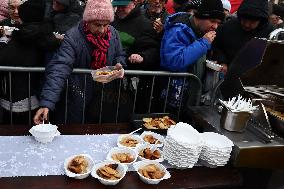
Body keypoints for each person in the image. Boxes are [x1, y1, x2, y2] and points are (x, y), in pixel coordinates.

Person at [33, 0, 126, 124]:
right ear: (87, 21)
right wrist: (47, 103)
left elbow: (119, 54)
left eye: (106, 24)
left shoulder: (113, 33)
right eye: (97, 24)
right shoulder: (73, 36)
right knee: (76, 130)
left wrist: (119, 64)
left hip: (104, 93)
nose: (102, 29)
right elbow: (60, 67)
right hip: (77, 93)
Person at [0, 0, 60, 124]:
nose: (15, 12)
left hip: (20, 98)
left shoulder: (24, 36)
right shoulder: (46, 33)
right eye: (12, 8)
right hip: (42, 96)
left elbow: (5, 58)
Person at [160, 0, 224, 110]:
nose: (215, 26)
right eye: (212, 21)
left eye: (218, 23)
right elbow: (174, 60)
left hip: (189, 94)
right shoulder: (178, 29)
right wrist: (203, 43)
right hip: (173, 95)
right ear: (201, 16)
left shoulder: (201, 31)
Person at [212, 0, 274, 75]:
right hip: (227, 73)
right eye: (244, 20)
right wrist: (222, 61)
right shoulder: (228, 26)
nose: (247, 25)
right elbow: (217, 46)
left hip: (254, 77)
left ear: (261, 21)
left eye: (252, 22)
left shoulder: (270, 32)